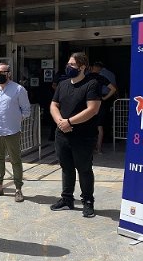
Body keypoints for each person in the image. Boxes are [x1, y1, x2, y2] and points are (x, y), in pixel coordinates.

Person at [50, 52, 102, 218]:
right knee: (66, 168)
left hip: (83, 136)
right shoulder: (63, 84)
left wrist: (69, 122)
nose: (68, 67)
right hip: (62, 135)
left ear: (82, 67)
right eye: (68, 64)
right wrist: (60, 121)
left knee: (84, 169)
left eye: (72, 65)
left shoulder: (92, 84)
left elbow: (93, 109)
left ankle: (87, 201)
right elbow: (54, 105)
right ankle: (67, 199)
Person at [0, 63, 31, 202]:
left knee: (15, 160)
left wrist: (16, 119)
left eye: (3, 72)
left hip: (12, 131)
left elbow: (26, 110)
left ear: (9, 73)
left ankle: (18, 189)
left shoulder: (19, 89)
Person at [90, 61, 118, 154]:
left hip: (88, 103)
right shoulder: (101, 77)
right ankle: (98, 149)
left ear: (92, 67)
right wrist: (104, 98)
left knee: (87, 125)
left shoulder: (86, 77)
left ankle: (88, 148)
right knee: (100, 126)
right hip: (99, 103)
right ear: (99, 69)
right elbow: (113, 89)